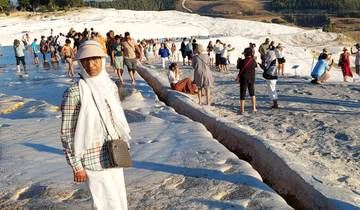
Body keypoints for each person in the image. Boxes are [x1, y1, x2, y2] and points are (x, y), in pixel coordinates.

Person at [60, 40, 131, 210]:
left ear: (103, 60)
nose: (91, 65)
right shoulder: (75, 92)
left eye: (95, 59)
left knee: (120, 202)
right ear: (81, 64)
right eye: (86, 61)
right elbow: (67, 132)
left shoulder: (110, 86)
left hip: (114, 154)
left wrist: (124, 145)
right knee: (106, 205)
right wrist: (76, 166)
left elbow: (116, 120)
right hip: (92, 159)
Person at [236, 48, 257, 114]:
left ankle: (242, 110)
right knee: (252, 92)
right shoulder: (253, 61)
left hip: (243, 78)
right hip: (251, 78)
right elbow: (255, 66)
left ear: (245, 54)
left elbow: (238, 67)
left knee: (242, 93)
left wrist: (238, 61)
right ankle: (254, 108)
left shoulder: (242, 61)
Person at [262, 44, 279, 109]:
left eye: (268, 55)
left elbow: (271, 72)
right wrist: (263, 67)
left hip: (271, 78)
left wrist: (265, 73)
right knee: (271, 90)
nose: (267, 56)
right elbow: (267, 69)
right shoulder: (271, 61)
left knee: (272, 90)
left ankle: (275, 104)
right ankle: (274, 104)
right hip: (271, 78)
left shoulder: (273, 62)